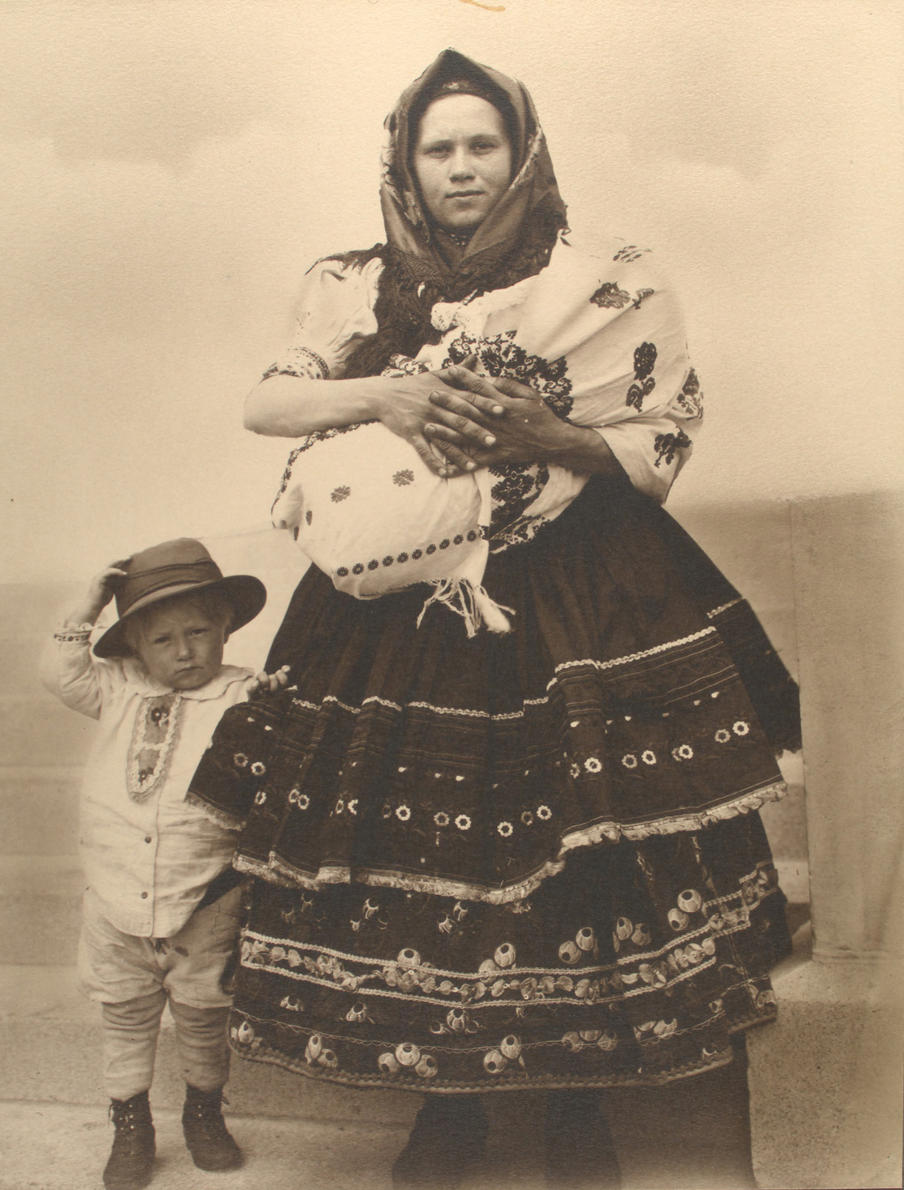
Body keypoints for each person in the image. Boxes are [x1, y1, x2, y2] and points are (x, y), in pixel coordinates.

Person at [188, 50, 801, 1189]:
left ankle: (576, 1110)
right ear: (406, 167)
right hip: (399, 602)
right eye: (439, 148)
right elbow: (266, 400)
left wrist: (544, 431)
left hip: (576, 589)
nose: (462, 167)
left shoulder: (609, 279)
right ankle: (448, 1112)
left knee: (577, 847)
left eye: (483, 145)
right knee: (415, 855)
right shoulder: (355, 278)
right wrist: (388, 392)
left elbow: (657, 440)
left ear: (522, 156)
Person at [40, 537, 288, 1190]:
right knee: (125, 1015)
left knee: (206, 1017)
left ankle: (204, 1114)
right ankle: (131, 1122)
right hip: (115, 898)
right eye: (163, 640)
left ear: (227, 627)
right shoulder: (116, 688)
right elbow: (58, 671)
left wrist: (277, 705)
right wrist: (89, 602)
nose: (183, 652)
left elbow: (280, 747)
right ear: (135, 648)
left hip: (204, 898)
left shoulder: (244, 695)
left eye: (199, 631)